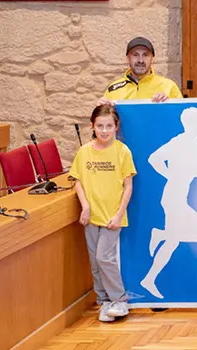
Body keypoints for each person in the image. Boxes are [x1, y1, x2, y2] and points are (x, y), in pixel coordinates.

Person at [140, 107, 197, 300]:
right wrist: (170, 175)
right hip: (173, 196)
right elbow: (153, 158)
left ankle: (160, 235)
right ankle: (149, 279)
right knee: (172, 242)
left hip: (180, 196)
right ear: (193, 123)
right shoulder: (178, 142)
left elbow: (192, 172)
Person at [70, 105, 136, 323]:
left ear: (116, 127)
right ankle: (104, 301)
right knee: (95, 261)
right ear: (93, 126)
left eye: (109, 126)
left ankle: (120, 299)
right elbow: (78, 181)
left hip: (112, 218)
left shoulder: (122, 151)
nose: (105, 130)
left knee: (104, 257)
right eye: (100, 126)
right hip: (91, 217)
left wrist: (119, 215)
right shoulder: (84, 152)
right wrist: (85, 207)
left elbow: (128, 186)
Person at [99, 37, 182, 105]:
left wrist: (169, 105)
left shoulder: (169, 87)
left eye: (145, 55)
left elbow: (181, 120)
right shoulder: (113, 90)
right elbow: (104, 122)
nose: (141, 60)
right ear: (128, 59)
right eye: (135, 55)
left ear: (152, 59)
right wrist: (100, 110)